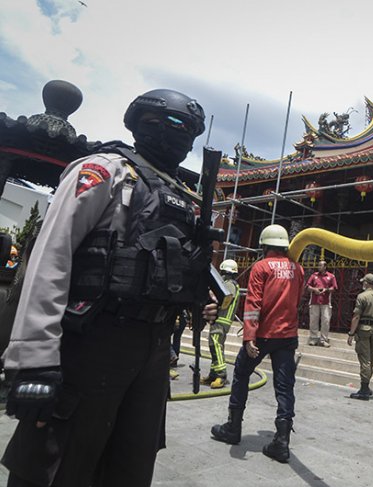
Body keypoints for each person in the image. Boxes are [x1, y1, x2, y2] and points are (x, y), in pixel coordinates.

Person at [1, 88, 219, 487]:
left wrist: (196, 299)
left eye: (189, 132)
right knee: (58, 463)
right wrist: (34, 358)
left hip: (153, 351)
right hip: (93, 340)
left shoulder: (183, 197)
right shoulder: (107, 170)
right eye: (173, 126)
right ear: (143, 124)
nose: (180, 138)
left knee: (130, 465)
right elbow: (52, 256)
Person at [211, 224, 305, 464]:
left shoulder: (261, 267)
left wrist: (249, 337)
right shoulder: (299, 269)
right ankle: (282, 442)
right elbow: (297, 300)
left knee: (241, 375)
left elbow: (253, 304)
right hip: (287, 337)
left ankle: (233, 428)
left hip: (263, 335)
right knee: (285, 387)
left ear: (264, 245)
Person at [347, 273, 373, 400]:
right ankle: (367, 386)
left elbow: (356, 316)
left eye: (363, 282)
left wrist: (351, 333)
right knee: (371, 360)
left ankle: (364, 389)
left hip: (364, 329)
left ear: (366, 283)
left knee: (365, 360)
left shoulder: (362, 296)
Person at [201, 259, 241, 388]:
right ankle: (213, 374)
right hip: (220, 321)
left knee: (216, 346)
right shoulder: (231, 284)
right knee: (214, 347)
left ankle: (221, 375)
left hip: (221, 321)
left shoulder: (229, 284)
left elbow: (224, 301)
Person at [306, 259, 337, 347]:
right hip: (314, 301)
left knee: (326, 321)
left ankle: (324, 339)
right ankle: (313, 338)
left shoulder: (331, 276)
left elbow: (334, 288)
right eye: (318, 265)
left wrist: (326, 290)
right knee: (313, 320)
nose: (319, 267)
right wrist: (314, 289)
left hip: (326, 301)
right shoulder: (313, 276)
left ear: (325, 267)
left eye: (320, 265)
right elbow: (308, 286)